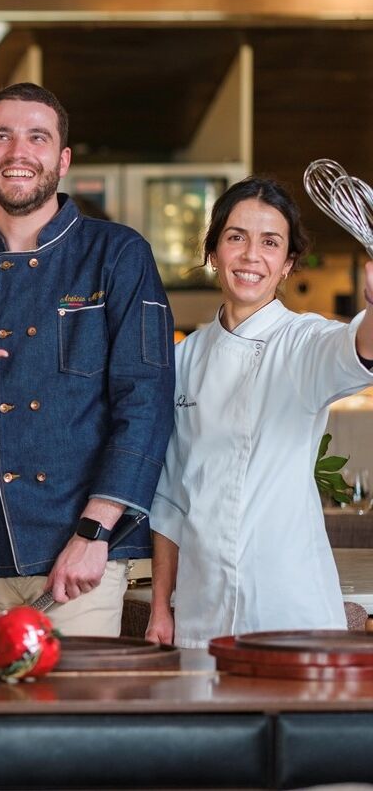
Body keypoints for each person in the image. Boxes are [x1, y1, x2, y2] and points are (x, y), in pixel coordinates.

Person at [0, 82, 174, 635]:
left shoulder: (119, 255)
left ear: (62, 159)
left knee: (68, 718)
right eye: (1, 137)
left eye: (37, 137)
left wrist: (95, 534)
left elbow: (146, 405)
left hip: (83, 558)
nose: (18, 151)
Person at [147, 178, 373, 648]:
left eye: (270, 242)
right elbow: (169, 499)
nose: (252, 256)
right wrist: (160, 607)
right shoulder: (184, 359)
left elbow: (356, 350)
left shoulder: (302, 342)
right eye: (237, 237)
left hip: (289, 602)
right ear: (213, 253)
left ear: (287, 263)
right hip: (201, 607)